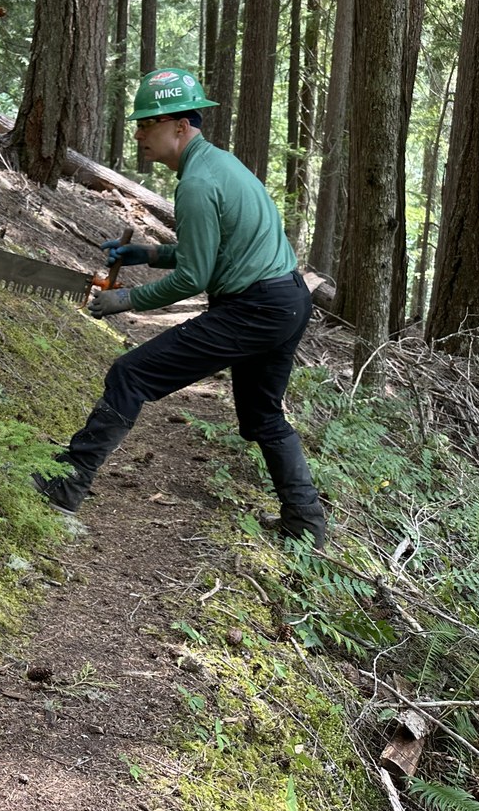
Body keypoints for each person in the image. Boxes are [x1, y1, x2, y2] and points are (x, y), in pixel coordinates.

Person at [34, 67, 327, 547]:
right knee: (263, 417)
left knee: (131, 374)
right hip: (287, 300)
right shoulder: (217, 166)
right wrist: (147, 254)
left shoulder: (195, 183)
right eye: (139, 123)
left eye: (148, 123)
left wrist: (125, 299)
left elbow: (195, 276)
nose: (139, 133)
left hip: (255, 307)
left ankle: (67, 484)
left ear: (180, 126)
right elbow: (212, 249)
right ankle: (306, 526)